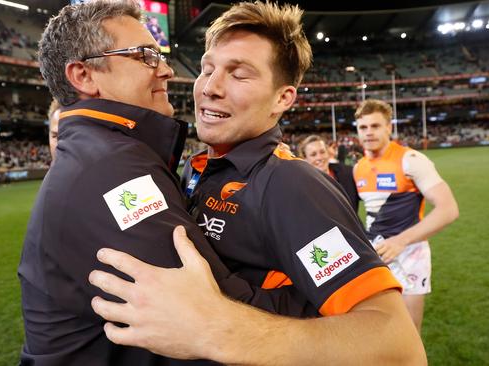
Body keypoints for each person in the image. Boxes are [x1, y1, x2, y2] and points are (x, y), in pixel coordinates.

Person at [88, 2, 426, 364]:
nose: (210, 88)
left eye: (239, 74)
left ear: (282, 98)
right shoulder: (197, 168)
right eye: (207, 68)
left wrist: (218, 330)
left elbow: (397, 345)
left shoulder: (290, 184)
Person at [18, 1, 312, 365]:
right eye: (145, 55)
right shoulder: (113, 169)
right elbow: (216, 310)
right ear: (83, 76)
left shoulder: (103, 155)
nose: (167, 70)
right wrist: (322, 300)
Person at [353, 99, 459, 332]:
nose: (368, 132)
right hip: (377, 254)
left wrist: (401, 241)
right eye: (363, 127)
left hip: (411, 253)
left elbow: (448, 209)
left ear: (389, 127)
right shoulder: (358, 167)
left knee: (410, 331)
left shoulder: (410, 160)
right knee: (377, 328)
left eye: (375, 126)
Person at [299, 134, 359, 211]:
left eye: (322, 152)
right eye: (313, 155)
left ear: (328, 153)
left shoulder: (348, 173)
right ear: (305, 159)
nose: (319, 157)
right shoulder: (302, 186)